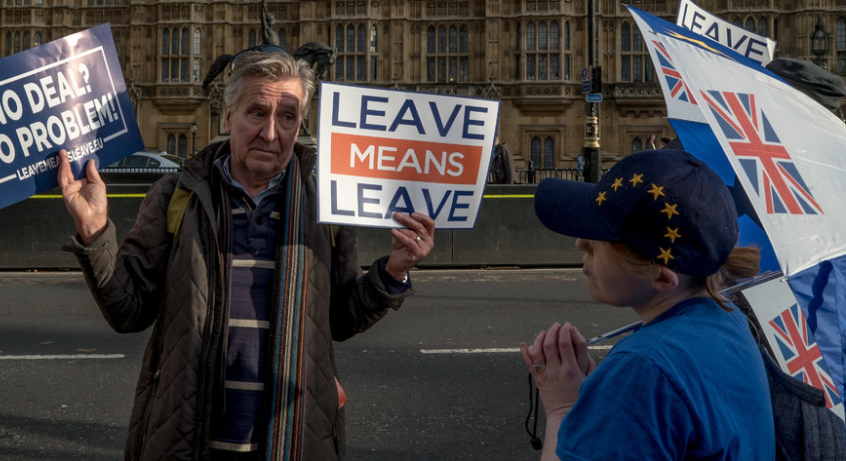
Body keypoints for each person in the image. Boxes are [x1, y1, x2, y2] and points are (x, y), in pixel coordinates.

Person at [58, 46, 436, 460]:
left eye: (287, 117)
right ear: (228, 117)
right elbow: (129, 311)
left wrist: (394, 271)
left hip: (294, 441)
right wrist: (95, 231)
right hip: (187, 441)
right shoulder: (175, 195)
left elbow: (340, 320)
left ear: (299, 125)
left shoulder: (327, 203)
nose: (271, 133)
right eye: (257, 113)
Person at [519, 149, 774, 461]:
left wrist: (562, 408)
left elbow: (649, 385)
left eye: (600, 240)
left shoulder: (641, 372)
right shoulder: (729, 318)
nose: (580, 243)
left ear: (663, 279)